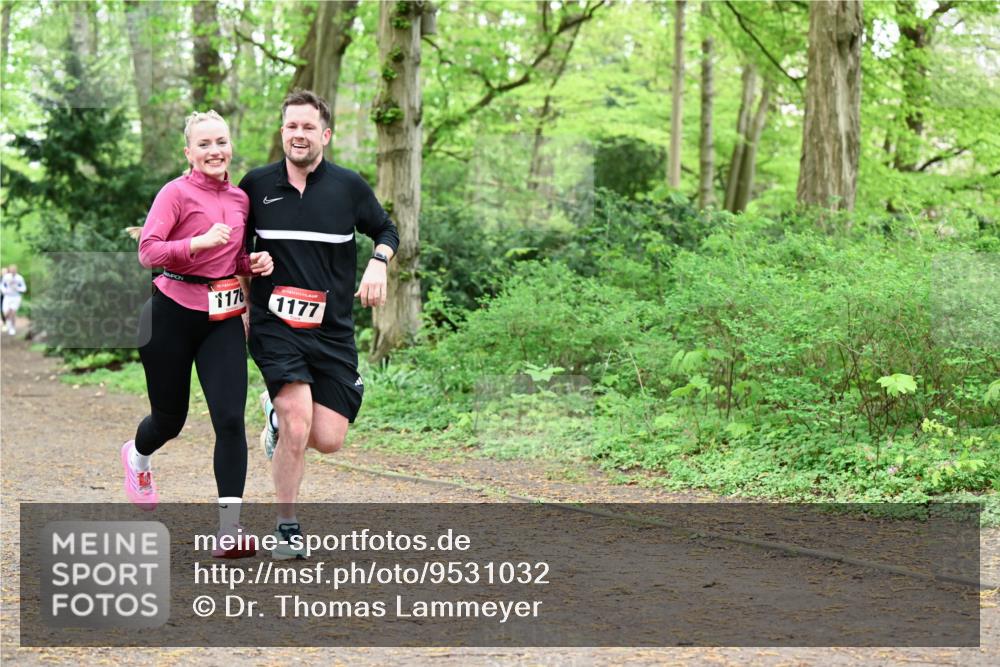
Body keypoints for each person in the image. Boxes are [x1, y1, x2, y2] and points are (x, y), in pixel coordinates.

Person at [239, 90, 398, 560]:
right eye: (291, 127)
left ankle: (272, 412)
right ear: (282, 132)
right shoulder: (255, 185)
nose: (299, 135)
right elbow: (232, 252)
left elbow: (386, 229)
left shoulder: (348, 188)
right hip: (275, 326)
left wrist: (378, 263)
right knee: (297, 420)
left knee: (328, 439)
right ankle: (287, 528)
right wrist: (249, 266)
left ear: (325, 134)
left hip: (332, 331)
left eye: (308, 127)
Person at [122, 110, 273, 559]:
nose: (214, 151)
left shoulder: (241, 199)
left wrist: (253, 263)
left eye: (221, 142)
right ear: (188, 152)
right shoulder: (175, 192)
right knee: (170, 420)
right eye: (204, 144)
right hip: (169, 313)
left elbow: (233, 258)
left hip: (222, 319)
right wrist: (197, 243)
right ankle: (138, 457)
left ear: (231, 146)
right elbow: (148, 251)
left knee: (229, 419)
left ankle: (231, 529)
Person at [1, 265, 27, 336]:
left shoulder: (20, 278)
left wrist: (17, 288)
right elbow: (2, 285)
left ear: (16, 270)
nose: (13, 271)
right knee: (6, 313)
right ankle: (7, 324)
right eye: (11, 270)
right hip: (7, 297)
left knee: (12, 312)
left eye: (14, 270)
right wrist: (4, 291)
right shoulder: (6, 277)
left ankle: (12, 328)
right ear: (10, 270)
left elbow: (24, 288)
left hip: (16, 297)